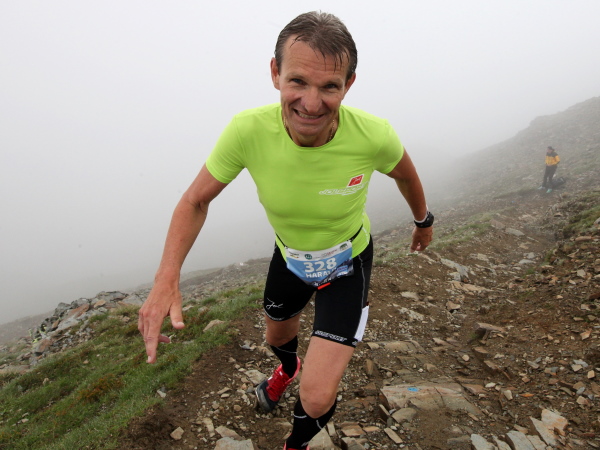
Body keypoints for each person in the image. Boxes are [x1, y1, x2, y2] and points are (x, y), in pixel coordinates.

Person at [138, 11, 434, 450]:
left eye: (329, 86)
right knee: (276, 337)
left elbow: (406, 176)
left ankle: (296, 443)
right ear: (275, 73)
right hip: (291, 258)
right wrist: (167, 277)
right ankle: (287, 369)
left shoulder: (373, 135)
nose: (311, 104)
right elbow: (195, 200)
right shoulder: (247, 131)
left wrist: (423, 220)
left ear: (348, 85)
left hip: (348, 264)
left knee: (316, 397)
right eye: (298, 81)